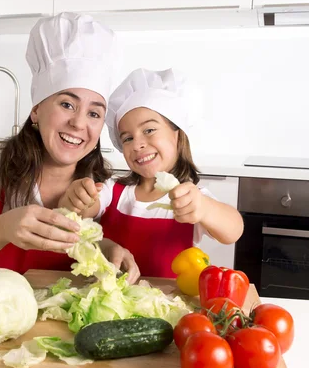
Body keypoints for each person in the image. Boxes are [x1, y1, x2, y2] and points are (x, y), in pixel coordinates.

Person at [0, 13, 140, 292]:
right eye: (67, 105)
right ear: (36, 110)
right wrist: (2, 229)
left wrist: (105, 249)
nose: (79, 123)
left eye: (94, 113)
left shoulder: (105, 188)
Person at [58, 68, 244, 278]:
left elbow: (233, 230)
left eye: (149, 130)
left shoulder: (190, 198)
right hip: (110, 301)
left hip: (167, 304)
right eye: (127, 138)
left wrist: (204, 208)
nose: (137, 144)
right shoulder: (114, 191)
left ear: (177, 135)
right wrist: (77, 197)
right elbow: (82, 212)